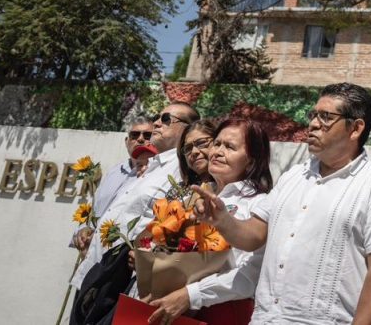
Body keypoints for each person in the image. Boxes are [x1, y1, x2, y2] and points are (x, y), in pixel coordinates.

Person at [192, 83, 371, 325]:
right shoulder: (293, 176)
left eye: (326, 117)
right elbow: (254, 235)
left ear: (356, 128)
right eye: (313, 115)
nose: (314, 124)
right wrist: (222, 220)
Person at [71, 102, 200, 323]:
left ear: (188, 129)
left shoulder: (183, 171)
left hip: (118, 284)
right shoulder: (147, 166)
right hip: (93, 273)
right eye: (158, 116)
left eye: (167, 119)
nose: (157, 123)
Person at [148, 118, 274, 325]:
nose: (217, 151)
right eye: (217, 143)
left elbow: (251, 274)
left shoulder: (260, 205)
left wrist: (191, 295)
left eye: (230, 147)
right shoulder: (198, 197)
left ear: (251, 160)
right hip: (177, 307)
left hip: (223, 312)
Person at [71, 116, 155, 255]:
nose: (140, 139)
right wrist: (83, 230)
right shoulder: (114, 172)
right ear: (127, 141)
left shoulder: (155, 174)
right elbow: (94, 209)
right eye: (134, 135)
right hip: (89, 253)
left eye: (147, 135)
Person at [177, 118, 217, 187]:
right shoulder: (180, 192)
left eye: (201, 143)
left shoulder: (235, 187)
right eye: (188, 148)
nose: (194, 152)